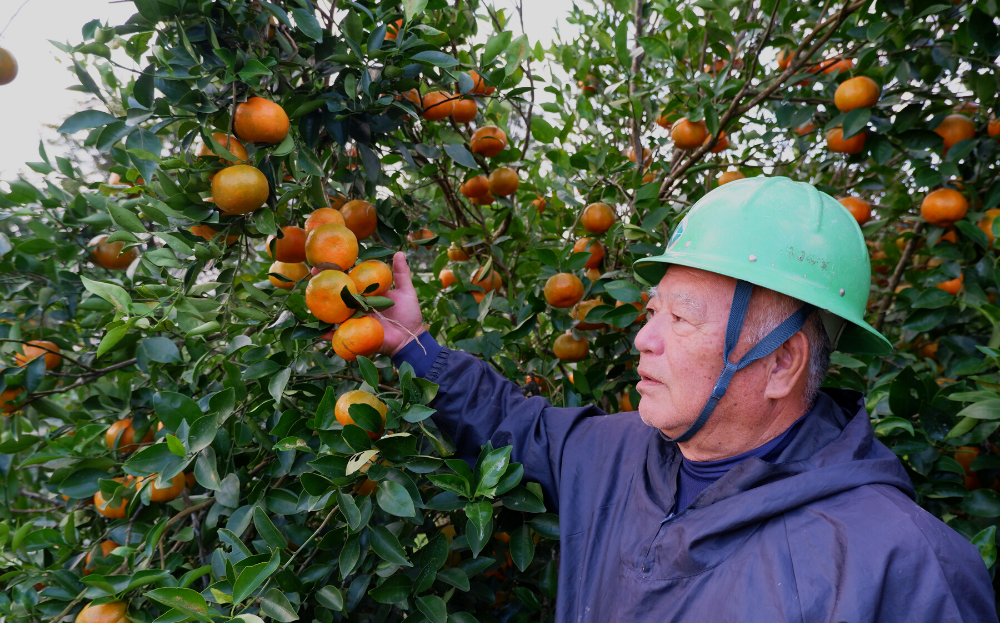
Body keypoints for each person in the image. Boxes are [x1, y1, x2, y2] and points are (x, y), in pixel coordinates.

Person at [372, 177, 997, 622]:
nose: (644, 338)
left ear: (780, 363)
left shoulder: (900, 567)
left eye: (682, 319)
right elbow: (511, 424)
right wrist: (414, 344)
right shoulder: (612, 453)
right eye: (652, 311)